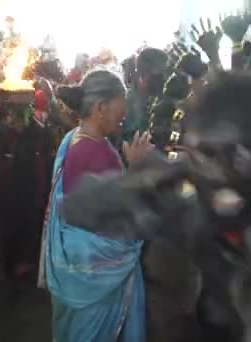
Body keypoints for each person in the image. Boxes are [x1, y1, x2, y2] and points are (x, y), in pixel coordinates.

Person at [39, 69, 150, 341]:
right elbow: (118, 221)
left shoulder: (75, 138)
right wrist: (136, 169)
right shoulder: (95, 152)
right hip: (95, 273)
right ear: (101, 108)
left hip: (75, 265)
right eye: (119, 112)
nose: (123, 118)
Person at [121, 48, 168, 143]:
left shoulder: (152, 100)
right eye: (160, 75)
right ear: (144, 74)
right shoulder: (130, 106)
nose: (165, 79)